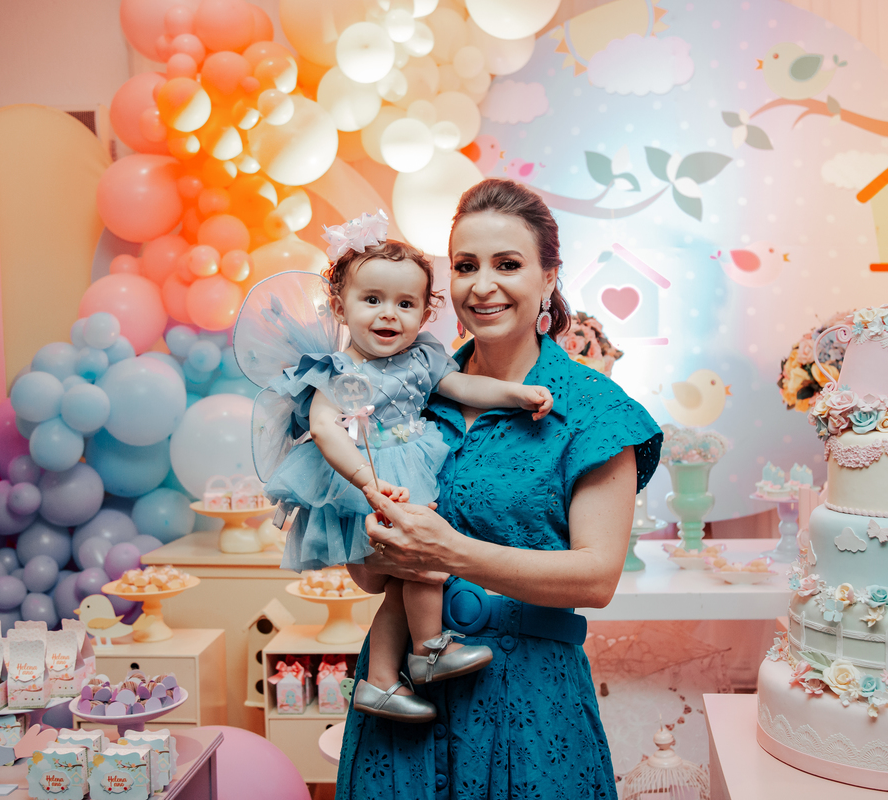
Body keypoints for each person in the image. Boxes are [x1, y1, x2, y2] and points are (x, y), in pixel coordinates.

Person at [335, 179, 663, 799]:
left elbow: (597, 579)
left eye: (507, 264)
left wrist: (448, 552)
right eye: (465, 266)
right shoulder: (402, 391)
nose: (482, 285)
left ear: (548, 276)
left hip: (531, 699)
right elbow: (368, 578)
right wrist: (373, 543)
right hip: (404, 700)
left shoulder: (593, 410)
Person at [262, 210, 555, 723]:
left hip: (411, 463)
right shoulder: (337, 369)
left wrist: (514, 393)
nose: (388, 315)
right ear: (340, 305)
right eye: (372, 300)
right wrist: (366, 483)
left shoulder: (421, 356)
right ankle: (428, 650)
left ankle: (380, 681)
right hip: (365, 476)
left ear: (424, 313)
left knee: (406, 578)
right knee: (422, 564)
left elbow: (461, 385)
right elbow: (326, 427)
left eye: (405, 304)